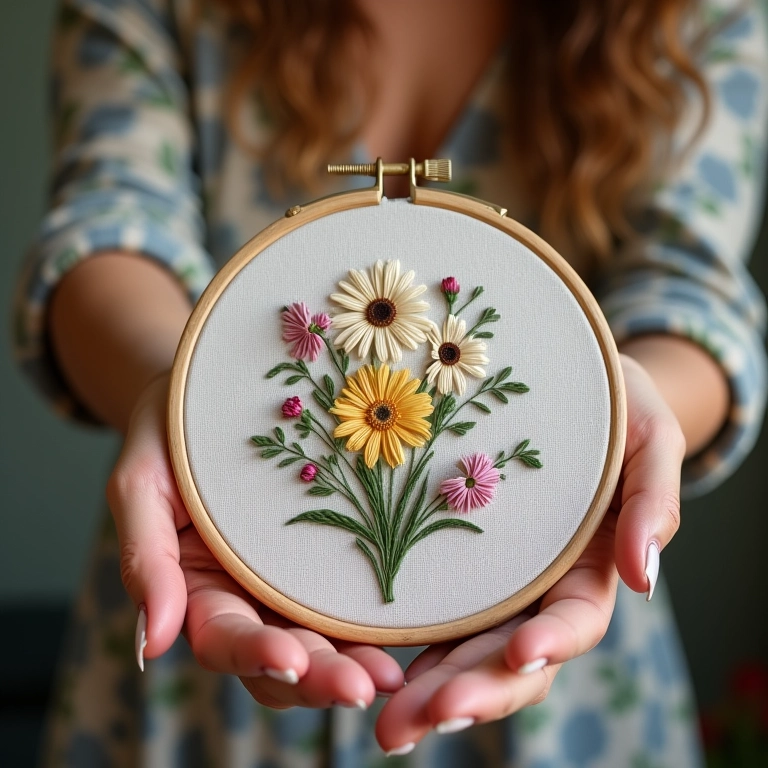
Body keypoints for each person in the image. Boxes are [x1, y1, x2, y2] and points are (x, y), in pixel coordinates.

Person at [14, 0, 767, 765]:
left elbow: (690, 288)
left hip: (555, 587)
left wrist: (631, 420)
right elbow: (108, 223)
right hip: (204, 553)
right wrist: (177, 400)